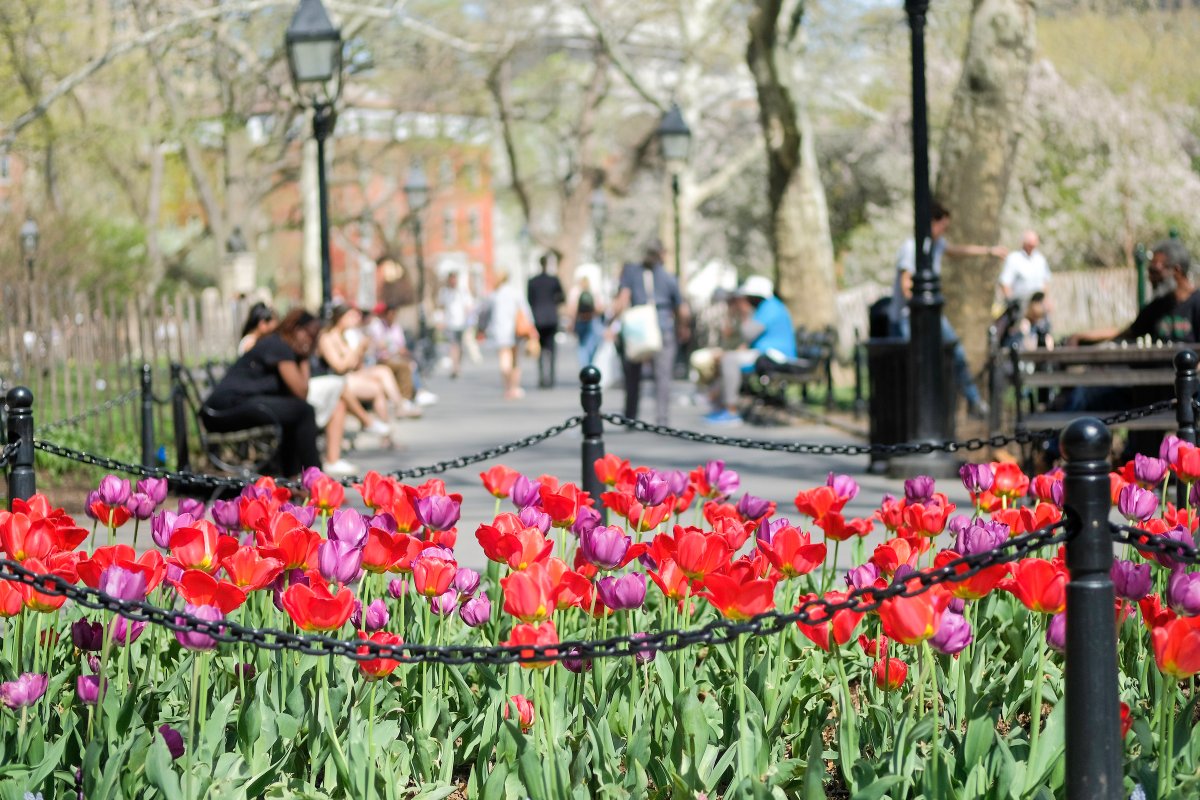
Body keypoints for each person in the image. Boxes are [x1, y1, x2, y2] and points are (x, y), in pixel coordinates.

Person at [887, 201, 1006, 420]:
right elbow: (906, 286)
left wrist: (989, 251)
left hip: (932, 315)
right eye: (943, 226)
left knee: (955, 351)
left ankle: (973, 401)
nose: (945, 231)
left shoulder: (938, 245)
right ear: (932, 223)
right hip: (907, 317)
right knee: (911, 364)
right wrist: (921, 309)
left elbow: (958, 251)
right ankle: (911, 414)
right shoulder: (911, 248)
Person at [204, 309, 350, 477]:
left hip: (234, 406)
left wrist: (303, 356)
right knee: (304, 411)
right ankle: (315, 480)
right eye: (310, 335)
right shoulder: (279, 346)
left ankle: (291, 479)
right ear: (295, 329)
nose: (312, 341)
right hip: (224, 410)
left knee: (295, 413)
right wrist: (304, 357)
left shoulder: (280, 344)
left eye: (315, 337)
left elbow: (299, 394)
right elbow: (301, 392)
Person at [607, 240, 689, 425]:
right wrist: (683, 328)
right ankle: (662, 419)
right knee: (663, 377)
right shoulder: (669, 277)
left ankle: (630, 416)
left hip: (637, 329)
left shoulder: (631, 273)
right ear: (662, 254)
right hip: (663, 328)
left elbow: (622, 300)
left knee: (632, 376)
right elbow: (682, 309)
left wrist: (611, 324)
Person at [1068, 239, 1199, 346]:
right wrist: (1082, 337)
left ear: (1176, 270)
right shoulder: (1158, 306)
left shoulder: (1196, 303)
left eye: (1155, 271)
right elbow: (1127, 332)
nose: (1150, 278)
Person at [704, 275, 797, 425]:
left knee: (729, 360)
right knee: (727, 357)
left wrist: (745, 312)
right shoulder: (768, 307)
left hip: (774, 357)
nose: (746, 300)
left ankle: (731, 411)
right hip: (766, 354)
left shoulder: (770, 307)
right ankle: (719, 404)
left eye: (748, 297)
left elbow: (748, 332)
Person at [317, 306, 415, 437]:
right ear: (340, 318)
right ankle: (382, 427)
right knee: (377, 388)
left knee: (383, 371)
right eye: (351, 316)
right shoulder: (328, 337)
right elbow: (339, 367)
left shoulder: (345, 335)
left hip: (350, 375)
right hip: (338, 379)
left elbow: (355, 365)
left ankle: (397, 407)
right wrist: (358, 348)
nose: (355, 320)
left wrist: (362, 350)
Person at [488, 270, 536, 400]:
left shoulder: (495, 294)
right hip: (516, 330)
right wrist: (531, 328)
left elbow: (487, 313)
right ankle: (515, 387)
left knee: (504, 359)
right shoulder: (515, 292)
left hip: (500, 331)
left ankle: (507, 387)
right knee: (515, 360)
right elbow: (525, 311)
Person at [527, 252, 565, 388]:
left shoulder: (532, 281)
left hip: (538, 318)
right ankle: (551, 377)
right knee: (551, 349)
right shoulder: (553, 280)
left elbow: (529, 300)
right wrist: (553, 302)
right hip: (551, 318)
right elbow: (562, 297)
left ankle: (542, 377)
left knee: (540, 349)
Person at [998, 230, 1052, 310]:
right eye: (1030, 242)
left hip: (1038, 304)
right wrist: (1011, 303)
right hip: (1020, 305)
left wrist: (1046, 300)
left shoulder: (1040, 259)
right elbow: (1005, 283)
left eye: (1034, 242)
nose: (1032, 245)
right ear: (1023, 242)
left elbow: (1045, 282)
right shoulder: (1014, 259)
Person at [437, 271, 475, 379]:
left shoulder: (462, 292)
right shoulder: (444, 292)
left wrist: (470, 320)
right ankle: (455, 368)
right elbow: (441, 307)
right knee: (453, 345)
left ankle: (458, 364)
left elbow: (469, 306)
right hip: (450, 323)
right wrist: (440, 320)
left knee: (460, 346)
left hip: (461, 323)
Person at [569, 276, 604, 368]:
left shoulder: (576, 293)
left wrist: (572, 324)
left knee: (582, 347)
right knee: (591, 346)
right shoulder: (593, 293)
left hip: (580, 321)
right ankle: (590, 365)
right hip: (591, 320)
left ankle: (584, 367)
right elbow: (599, 308)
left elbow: (573, 310)